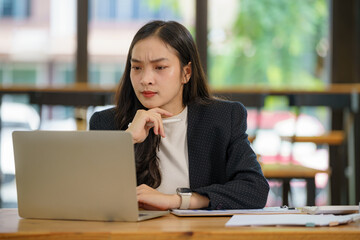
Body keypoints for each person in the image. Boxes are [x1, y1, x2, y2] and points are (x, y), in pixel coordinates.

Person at [89, 20, 269, 210]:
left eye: (160, 67)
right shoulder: (106, 122)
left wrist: (177, 200)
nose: (145, 80)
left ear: (186, 72)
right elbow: (87, 194)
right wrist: (126, 140)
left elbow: (254, 189)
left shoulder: (223, 118)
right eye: (137, 68)